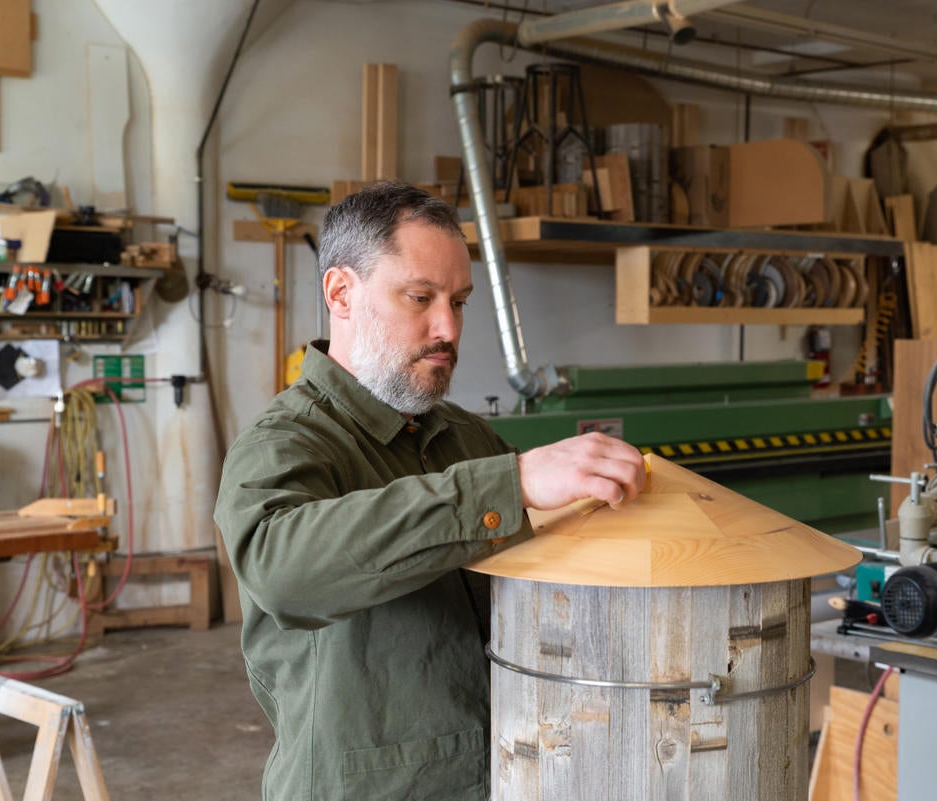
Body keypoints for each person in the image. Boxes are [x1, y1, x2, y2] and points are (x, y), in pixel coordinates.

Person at [214, 181, 646, 801]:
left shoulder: (467, 439)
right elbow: (284, 573)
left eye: (460, 302)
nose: (448, 328)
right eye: (420, 297)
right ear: (341, 292)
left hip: (503, 776)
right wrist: (513, 482)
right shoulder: (285, 443)